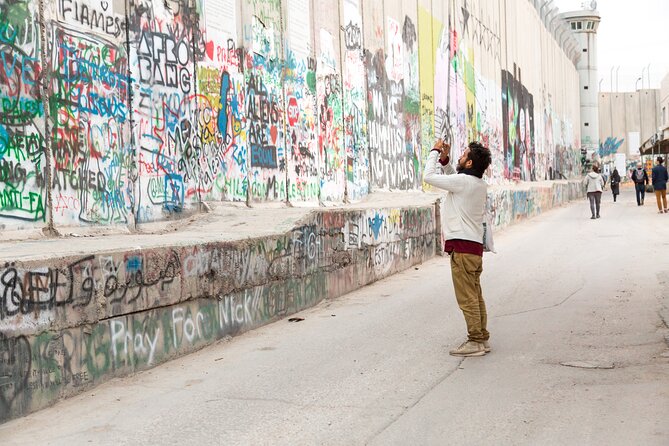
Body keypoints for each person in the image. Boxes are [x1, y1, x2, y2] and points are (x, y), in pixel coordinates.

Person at [423, 139, 492, 357]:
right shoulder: (477, 183)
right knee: (476, 294)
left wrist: (435, 151)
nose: (460, 156)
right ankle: (482, 337)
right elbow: (455, 178)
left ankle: (475, 341)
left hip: (462, 250)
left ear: (470, 163)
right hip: (473, 249)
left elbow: (428, 177)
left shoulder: (464, 182)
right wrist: (446, 160)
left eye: (464, 155)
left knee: (466, 297)